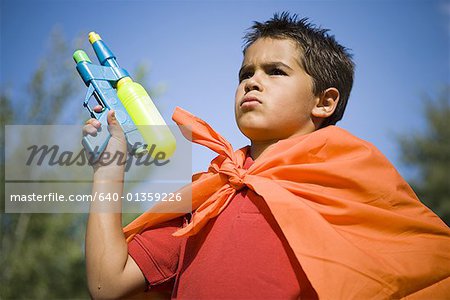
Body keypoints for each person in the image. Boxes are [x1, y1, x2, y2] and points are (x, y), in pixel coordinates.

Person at [83, 12, 450, 299]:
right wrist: (108, 167)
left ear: (325, 102)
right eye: (246, 72)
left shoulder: (354, 180)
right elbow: (108, 284)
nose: (251, 81)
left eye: (275, 71)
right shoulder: (211, 197)